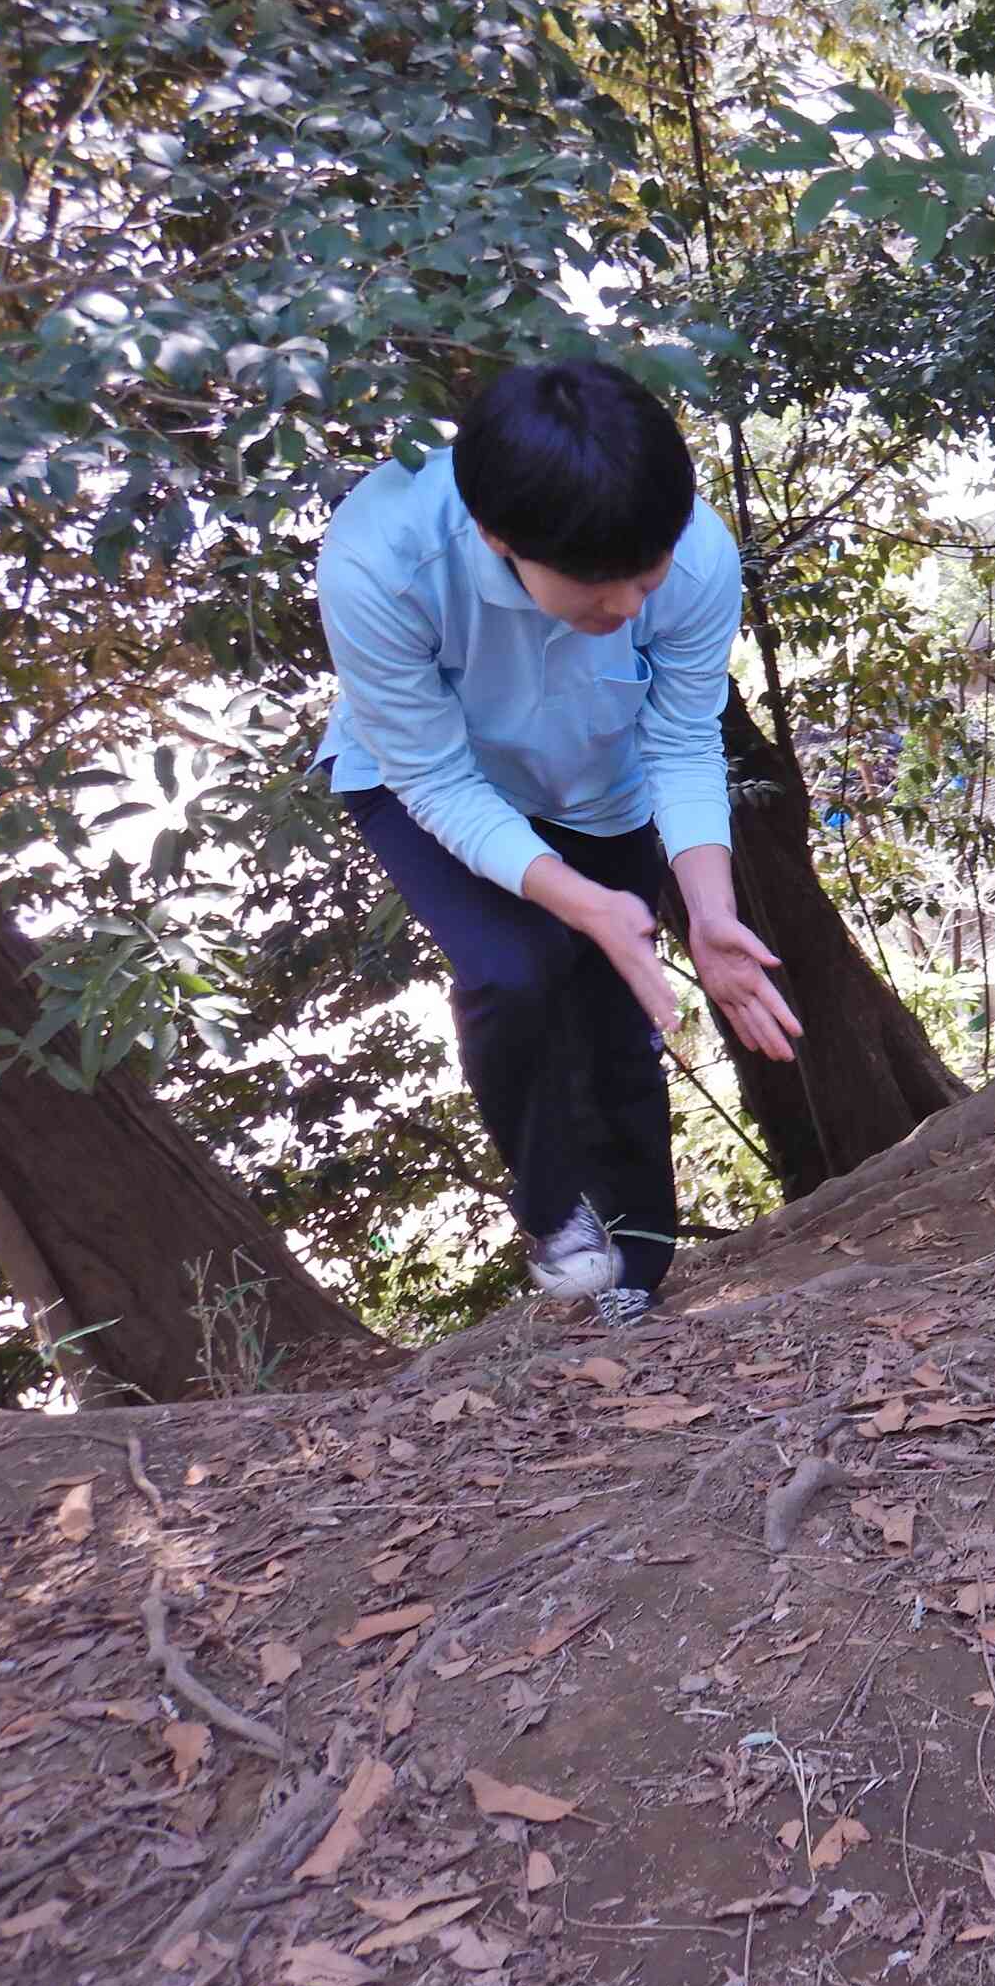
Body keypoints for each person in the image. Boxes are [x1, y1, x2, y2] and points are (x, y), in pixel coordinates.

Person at [316, 359, 801, 1323]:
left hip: (598, 785)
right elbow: (436, 777)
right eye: (593, 585)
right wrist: (584, 903)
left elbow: (681, 736)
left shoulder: (697, 555)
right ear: (498, 538)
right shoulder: (382, 559)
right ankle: (550, 1210)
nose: (625, 607)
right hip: (426, 783)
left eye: (644, 575)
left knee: (622, 1018)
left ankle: (638, 1273)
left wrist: (708, 912)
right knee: (515, 967)